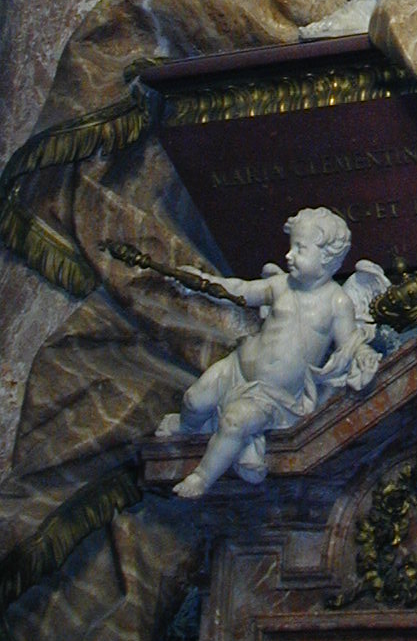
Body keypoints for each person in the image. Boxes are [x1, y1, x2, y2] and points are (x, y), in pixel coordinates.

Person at [158, 208, 380, 497]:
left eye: (300, 249)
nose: (289, 255)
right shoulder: (280, 285)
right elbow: (239, 290)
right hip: (237, 368)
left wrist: (362, 353)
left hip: (274, 396)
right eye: (291, 247)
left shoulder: (337, 303)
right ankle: (187, 427)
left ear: (327, 257)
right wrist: (198, 283)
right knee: (193, 400)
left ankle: (201, 478)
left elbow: (349, 343)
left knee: (235, 421)